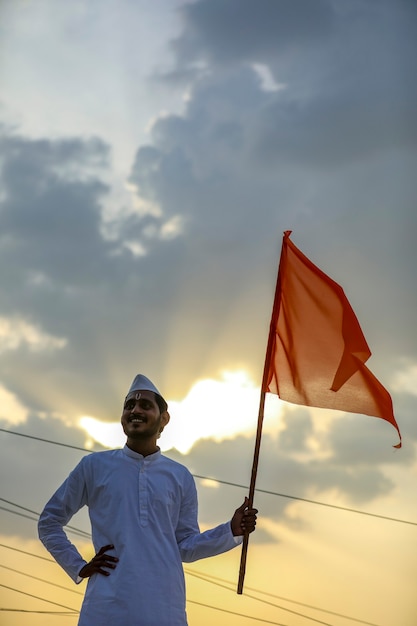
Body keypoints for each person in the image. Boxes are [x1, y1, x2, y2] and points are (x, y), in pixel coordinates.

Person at [38, 374, 258, 625]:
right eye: (129, 405)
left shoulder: (179, 476)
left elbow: (184, 546)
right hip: (106, 607)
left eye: (145, 405)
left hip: (164, 608)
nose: (135, 410)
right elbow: (49, 521)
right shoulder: (94, 466)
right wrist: (77, 566)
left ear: (164, 419)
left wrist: (230, 530)